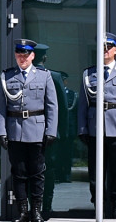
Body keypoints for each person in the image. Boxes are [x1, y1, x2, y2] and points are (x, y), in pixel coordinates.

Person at [0, 39, 59, 222]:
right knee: (19, 173)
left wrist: (51, 131)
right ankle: (23, 211)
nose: (22, 58)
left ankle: (36, 211)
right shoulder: (7, 76)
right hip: (15, 130)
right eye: (19, 54)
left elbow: (52, 106)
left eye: (25, 55)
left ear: (32, 56)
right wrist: (1, 132)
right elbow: (0, 108)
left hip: (37, 130)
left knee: (37, 173)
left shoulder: (44, 76)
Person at [78, 32, 116, 219]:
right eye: (102, 48)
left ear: (115, 50)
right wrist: (82, 129)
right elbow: (83, 104)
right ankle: (99, 206)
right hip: (95, 128)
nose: (104, 51)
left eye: (108, 48)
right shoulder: (89, 73)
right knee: (96, 173)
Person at [32, 43, 69, 218]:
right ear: (44, 58)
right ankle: (44, 205)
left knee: (40, 170)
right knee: (47, 170)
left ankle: (41, 206)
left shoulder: (52, 77)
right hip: (49, 132)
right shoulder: (53, 76)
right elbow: (63, 108)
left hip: (45, 133)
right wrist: (63, 133)